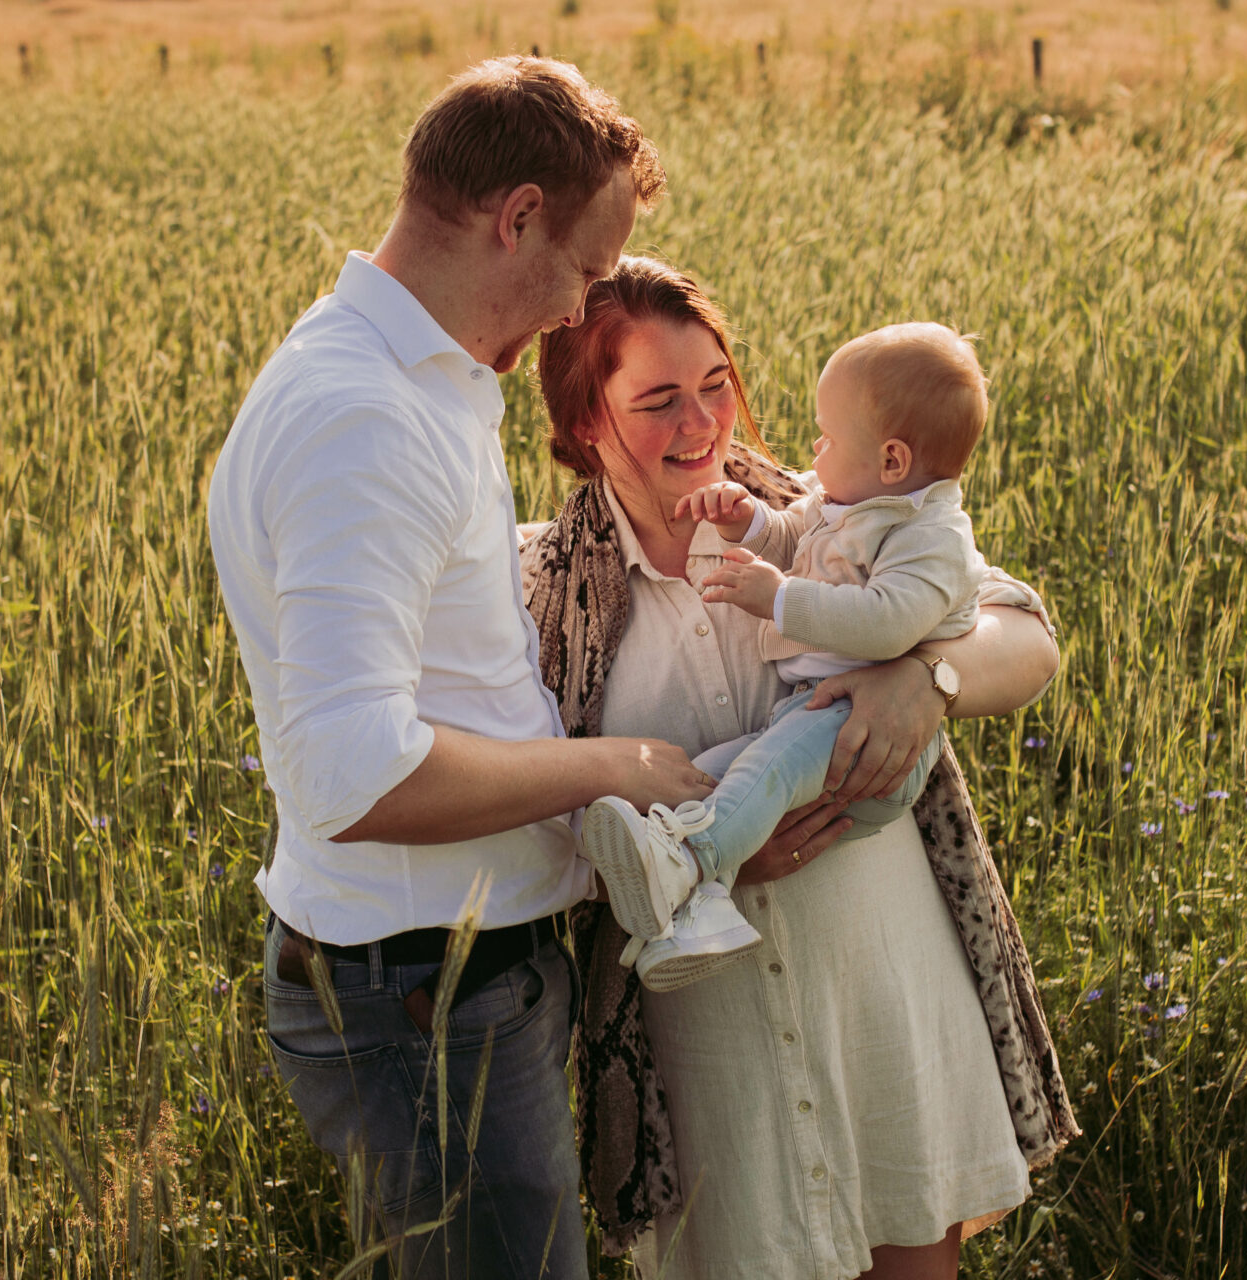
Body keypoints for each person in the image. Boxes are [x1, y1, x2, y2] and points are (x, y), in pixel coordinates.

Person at [207, 59, 708, 1278]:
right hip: (429, 1004)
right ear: (517, 215)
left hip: (456, 989)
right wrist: (612, 764)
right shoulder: (364, 417)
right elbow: (352, 773)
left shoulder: (414, 380)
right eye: (586, 271)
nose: (577, 311)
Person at [526, 257, 1081, 1278]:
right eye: (658, 400)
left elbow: (1029, 636)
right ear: (586, 421)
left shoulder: (830, 513)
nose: (702, 425)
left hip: (878, 987)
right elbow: (538, 821)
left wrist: (931, 679)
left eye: (715, 385)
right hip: (709, 1047)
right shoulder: (544, 594)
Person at [581, 323, 998, 993]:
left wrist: (781, 599)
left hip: (859, 741)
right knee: (706, 779)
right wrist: (746, 521)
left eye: (828, 437)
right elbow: (792, 533)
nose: (814, 447)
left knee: (764, 773)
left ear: (891, 460)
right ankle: (697, 908)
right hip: (807, 715)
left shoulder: (929, 536)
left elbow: (892, 623)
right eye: (659, 400)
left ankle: (694, 858)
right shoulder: (846, 504)